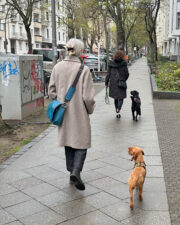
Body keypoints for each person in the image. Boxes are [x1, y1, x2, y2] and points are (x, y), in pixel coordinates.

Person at [48, 39, 96, 191]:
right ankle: (76, 171)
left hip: (63, 112)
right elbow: (88, 97)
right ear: (80, 50)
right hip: (79, 112)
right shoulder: (84, 69)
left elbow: (51, 91)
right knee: (82, 142)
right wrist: (90, 109)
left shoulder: (57, 67)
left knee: (68, 141)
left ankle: (71, 173)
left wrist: (59, 101)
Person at [105, 50, 129, 118]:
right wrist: (123, 79)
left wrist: (106, 82)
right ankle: (119, 109)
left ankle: (117, 111)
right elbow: (127, 74)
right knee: (121, 98)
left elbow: (108, 74)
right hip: (121, 83)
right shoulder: (124, 64)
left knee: (116, 98)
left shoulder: (111, 64)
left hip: (113, 83)